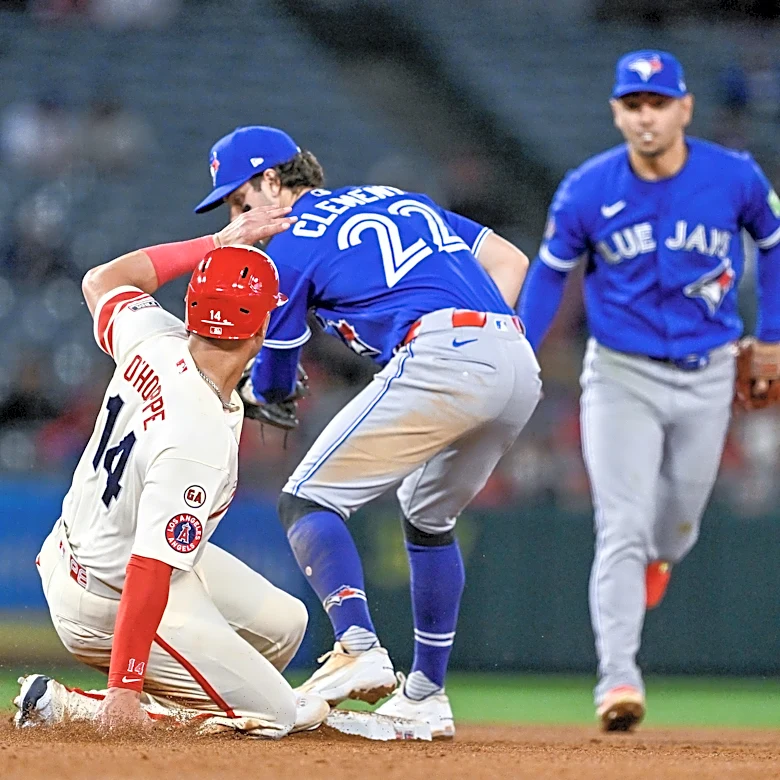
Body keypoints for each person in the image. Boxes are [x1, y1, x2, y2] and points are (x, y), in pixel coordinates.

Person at [193, 125, 542, 738]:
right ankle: (427, 697)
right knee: (428, 518)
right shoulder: (394, 197)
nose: (238, 215)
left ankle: (357, 647)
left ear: (273, 181)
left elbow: (276, 370)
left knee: (308, 500)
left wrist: (265, 394)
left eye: (239, 199)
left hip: (443, 352)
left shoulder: (289, 240)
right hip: (514, 356)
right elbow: (510, 260)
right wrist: (487, 341)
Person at [517, 50, 780, 731]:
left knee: (674, 531)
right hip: (621, 375)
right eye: (633, 104)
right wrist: (518, 347)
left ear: (684, 108)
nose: (646, 115)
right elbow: (549, 274)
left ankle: (660, 560)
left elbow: (774, 242)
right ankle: (618, 679)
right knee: (622, 527)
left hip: (710, 372)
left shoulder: (734, 177)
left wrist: (772, 335)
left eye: (658, 102)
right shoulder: (585, 188)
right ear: (616, 112)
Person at [14, 205, 332, 738]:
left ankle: (203, 703)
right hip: (105, 597)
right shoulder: (197, 436)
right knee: (278, 715)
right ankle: (71, 706)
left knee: (286, 626)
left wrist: (216, 241)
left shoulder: (154, 336)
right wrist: (124, 689)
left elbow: (103, 280)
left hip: (90, 551)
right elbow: (148, 570)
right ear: (262, 332)